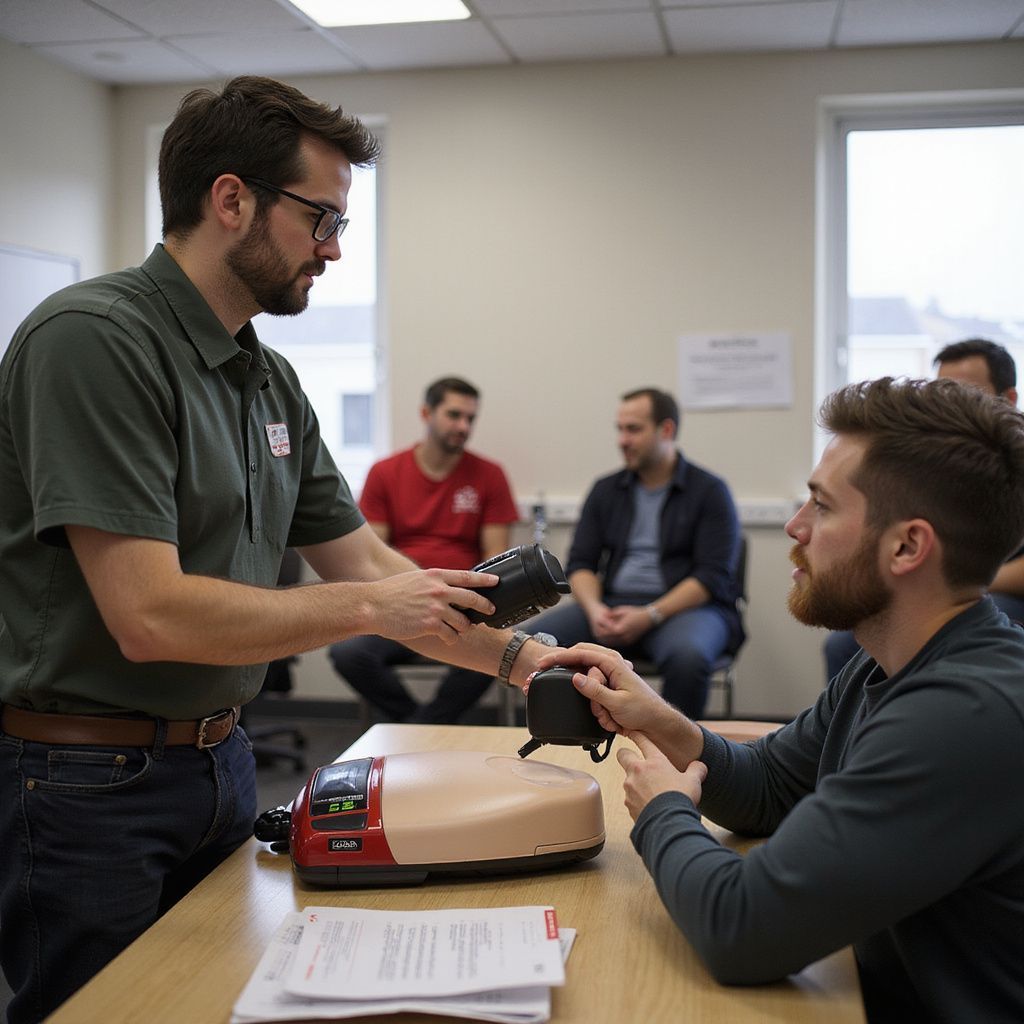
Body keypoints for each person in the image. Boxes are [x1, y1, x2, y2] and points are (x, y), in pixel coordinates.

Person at [0, 76, 558, 1024]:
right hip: (86, 783)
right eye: (321, 219)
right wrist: (373, 611)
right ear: (231, 201)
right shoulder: (95, 342)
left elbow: (375, 570)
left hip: (224, 763)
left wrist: (535, 663)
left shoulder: (266, 376)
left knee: (208, 1003)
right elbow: (149, 613)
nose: (335, 248)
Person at [537, 377, 1024, 1023]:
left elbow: (742, 929)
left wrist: (663, 812)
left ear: (907, 546)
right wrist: (657, 717)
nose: (795, 526)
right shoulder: (889, 662)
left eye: (821, 506)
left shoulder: (963, 715)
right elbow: (769, 787)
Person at [527, 387, 743, 717]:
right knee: (529, 643)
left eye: (634, 429)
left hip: (684, 610)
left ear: (666, 430)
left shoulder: (710, 491)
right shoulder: (606, 490)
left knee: (690, 657)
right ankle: (565, 738)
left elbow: (711, 577)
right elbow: (581, 564)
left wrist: (651, 615)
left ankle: (676, 754)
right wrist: (595, 609)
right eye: (620, 429)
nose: (623, 440)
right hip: (612, 606)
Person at [823, 337, 1024, 679]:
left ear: (1008, 399)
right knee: (844, 643)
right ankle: (857, 730)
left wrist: (957, 581)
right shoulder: (936, 466)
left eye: (967, 393)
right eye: (944, 393)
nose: (953, 405)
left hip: (997, 598)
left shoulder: (1012, 460)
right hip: (938, 589)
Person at [329, 376, 519, 722]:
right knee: (348, 654)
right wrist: (407, 592)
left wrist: (463, 602)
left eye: (470, 419)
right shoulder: (385, 473)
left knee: (494, 654)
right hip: (402, 597)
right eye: (454, 415)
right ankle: (419, 723)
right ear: (426, 413)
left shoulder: (489, 475)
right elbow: (373, 554)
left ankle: (422, 727)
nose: (463, 426)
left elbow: (495, 563)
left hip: (462, 604)